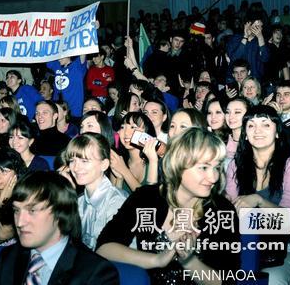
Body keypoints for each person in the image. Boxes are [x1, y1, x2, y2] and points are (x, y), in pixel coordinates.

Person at [96, 128, 240, 284]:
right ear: (178, 165)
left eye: (217, 167)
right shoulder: (146, 197)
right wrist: (157, 260)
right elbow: (104, 248)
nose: (213, 177)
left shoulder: (221, 210)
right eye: (204, 167)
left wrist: (188, 261)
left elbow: (227, 281)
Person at [0, 171, 119, 284]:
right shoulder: (10, 257)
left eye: (32, 211)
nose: (20, 222)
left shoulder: (96, 273)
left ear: (60, 213)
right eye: (16, 211)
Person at [226, 105, 290, 284]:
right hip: (241, 245)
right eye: (251, 125)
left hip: (285, 249)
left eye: (265, 124)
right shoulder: (234, 166)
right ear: (245, 135)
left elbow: (289, 217)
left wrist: (258, 201)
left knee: (272, 281)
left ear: (277, 132)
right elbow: (230, 211)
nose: (258, 130)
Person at [65, 133, 126, 250]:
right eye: (72, 161)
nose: (76, 168)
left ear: (104, 165)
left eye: (84, 161)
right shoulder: (80, 201)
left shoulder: (117, 202)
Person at [110, 112, 159, 195]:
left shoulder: (154, 161)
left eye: (133, 127)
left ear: (146, 132)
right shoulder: (118, 161)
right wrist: (120, 179)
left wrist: (124, 171)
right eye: (122, 127)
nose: (126, 133)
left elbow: (149, 200)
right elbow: (114, 202)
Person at [47, 54, 87, 121]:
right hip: (58, 108)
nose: (58, 59)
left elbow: (83, 51)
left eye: (60, 57)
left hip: (73, 111)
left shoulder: (76, 66)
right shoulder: (57, 65)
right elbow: (47, 56)